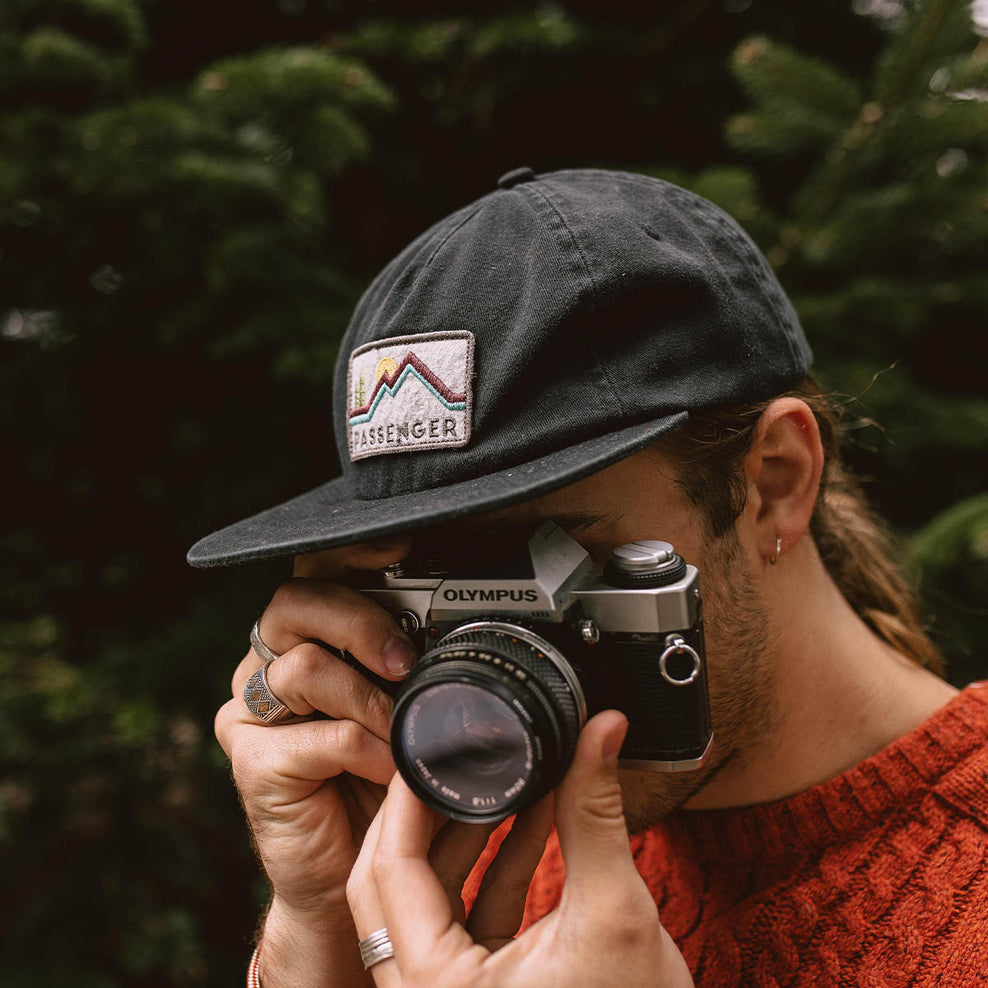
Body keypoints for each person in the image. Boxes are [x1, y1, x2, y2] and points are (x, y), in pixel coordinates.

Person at [190, 167, 988, 987]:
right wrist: (320, 928)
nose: (487, 655)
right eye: (435, 586)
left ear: (776, 481)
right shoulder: (464, 838)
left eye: (545, 565)